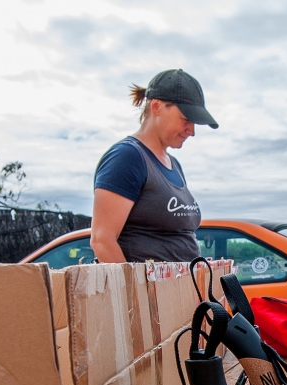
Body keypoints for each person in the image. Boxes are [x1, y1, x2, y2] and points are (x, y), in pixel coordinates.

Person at [91, 69, 218, 263]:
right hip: (147, 292)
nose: (191, 131)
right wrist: (136, 293)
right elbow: (102, 241)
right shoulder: (127, 157)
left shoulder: (174, 165)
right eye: (186, 120)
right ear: (156, 106)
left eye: (194, 123)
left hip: (181, 290)